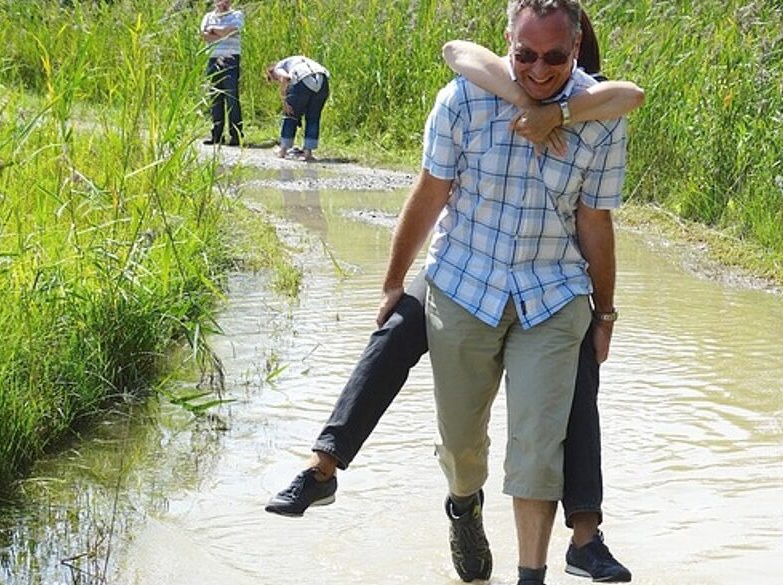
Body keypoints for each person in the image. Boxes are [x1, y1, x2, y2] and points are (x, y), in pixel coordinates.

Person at [266, 4, 643, 583]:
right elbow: (430, 193)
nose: (540, 69)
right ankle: (463, 505)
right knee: (462, 443)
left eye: (555, 57)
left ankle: (532, 574)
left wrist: (606, 311)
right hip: (465, 283)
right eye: (525, 54)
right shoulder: (464, 99)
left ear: (576, 49)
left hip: (552, 291)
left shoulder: (601, 113)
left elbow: (596, 222)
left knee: (538, 447)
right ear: (507, 44)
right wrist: (394, 281)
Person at [266, 56, 331, 162]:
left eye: (275, 80)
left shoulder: (279, 67)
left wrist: (284, 100)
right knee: (313, 117)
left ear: (272, 73)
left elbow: (286, 78)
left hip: (302, 79)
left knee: (290, 115)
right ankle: (308, 153)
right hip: (323, 81)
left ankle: (282, 150)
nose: (278, 81)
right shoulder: (300, 60)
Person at [201, 0, 244, 146]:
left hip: (231, 59)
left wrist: (214, 29)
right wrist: (224, 32)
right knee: (215, 98)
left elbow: (233, 30)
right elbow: (204, 35)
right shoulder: (207, 16)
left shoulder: (237, 14)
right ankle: (217, 135)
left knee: (232, 97)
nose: (224, 3)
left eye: (227, 1)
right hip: (212, 60)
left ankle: (236, 135)